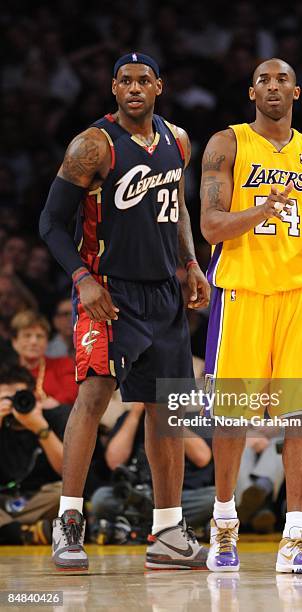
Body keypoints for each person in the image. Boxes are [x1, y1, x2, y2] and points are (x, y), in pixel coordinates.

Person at [39, 52, 210, 571]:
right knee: (92, 398)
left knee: (169, 409)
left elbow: (177, 205)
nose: (135, 87)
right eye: (125, 80)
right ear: (114, 88)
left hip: (163, 294)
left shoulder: (178, 141)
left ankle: (168, 532)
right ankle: (68, 522)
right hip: (109, 293)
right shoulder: (93, 145)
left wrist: (191, 262)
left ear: (160, 86)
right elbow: (49, 222)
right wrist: (83, 279)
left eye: (144, 80)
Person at [200, 57, 302, 573]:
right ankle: (224, 525)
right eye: (264, 79)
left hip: (299, 293)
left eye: (282, 79)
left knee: (299, 417)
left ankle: (295, 538)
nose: (273, 86)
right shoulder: (227, 144)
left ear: (298, 92)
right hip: (242, 291)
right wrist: (259, 211)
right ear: (251, 92)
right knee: (231, 418)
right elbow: (210, 227)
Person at [90, 404, 215, 538]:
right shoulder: (129, 418)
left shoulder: (190, 417)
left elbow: (202, 457)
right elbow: (114, 461)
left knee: (214, 497)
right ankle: (166, 526)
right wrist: (135, 414)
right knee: (100, 498)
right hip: (136, 497)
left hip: (179, 498)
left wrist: (169, 417)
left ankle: (133, 527)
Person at [0, 363, 70, 545]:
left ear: (35, 398)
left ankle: (10, 531)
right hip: (3, 501)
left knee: (63, 492)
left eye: (19, 397)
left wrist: (40, 428)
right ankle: (27, 532)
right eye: (5, 399)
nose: (13, 404)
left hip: (39, 500)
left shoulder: (54, 418)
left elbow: (69, 472)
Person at [10, 310, 77, 407]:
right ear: (15, 342)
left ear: (47, 342)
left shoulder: (63, 365)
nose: (34, 341)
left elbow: (72, 392)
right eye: (27, 335)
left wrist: (52, 403)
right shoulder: (6, 373)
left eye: (40, 336)